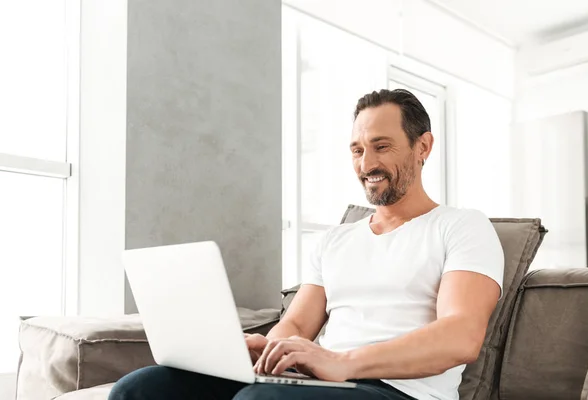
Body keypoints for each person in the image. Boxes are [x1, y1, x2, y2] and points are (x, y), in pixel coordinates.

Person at [109, 89, 504, 400]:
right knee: (142, 388)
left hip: (401, 391)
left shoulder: (461, 226)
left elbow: (461, 335)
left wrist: (341, 361)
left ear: (423, 147)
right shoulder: (337, 239)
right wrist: (263, 351)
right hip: (321, 380)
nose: (367, 165)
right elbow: (298, 324)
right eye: (357, 149)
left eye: (382, 146)